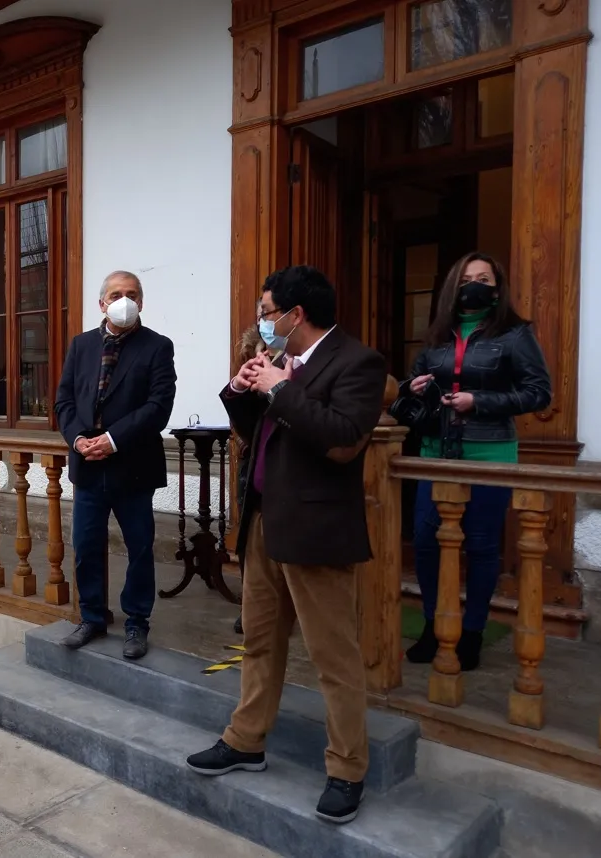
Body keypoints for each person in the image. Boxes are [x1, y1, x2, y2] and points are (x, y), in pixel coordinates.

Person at [186, 266, 386, 825]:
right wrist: (246, 388)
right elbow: (257, 434)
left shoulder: (357, 363)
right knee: (259, 642)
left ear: (297, 315)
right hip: (264, 522)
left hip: (316, 530)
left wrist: (280, 388)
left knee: (333, 658)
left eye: (267, 312)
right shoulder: (280, 363)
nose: (261, 322)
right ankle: (245, 739)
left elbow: (343, 440)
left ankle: (348, 769)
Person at [402, 252, 551, 671]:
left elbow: (539, 392)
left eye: (483, 278)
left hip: (490, 454)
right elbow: (412, 382)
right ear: (454, 285)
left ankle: (472, 632)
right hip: (435, 453)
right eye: (467, 278)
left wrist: (478, 401)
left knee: (483, 546)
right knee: (427, 542)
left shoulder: (516, 334)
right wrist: (413, 386)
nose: (475, 284)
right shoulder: (436, 335)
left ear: (496, 287)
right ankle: (433, 625)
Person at [53, 270, 177, 660]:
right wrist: (78, 440)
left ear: (142, 301)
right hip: (87, 465)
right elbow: (64, 401)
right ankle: (91, 616)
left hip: (133, 466)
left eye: (132, 293)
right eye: (116, 294)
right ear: (102, 303)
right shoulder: (81, 345)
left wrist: (112, 440)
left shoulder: (157, 347)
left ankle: (136, 623)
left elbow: (158, 407)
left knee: (139, 548)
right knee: (86, 546)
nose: (124, 300)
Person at [232, 308, 276, 636]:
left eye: (271, 310)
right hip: (253, 459)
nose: (265, 318)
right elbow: (242, 415)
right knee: (249, 538)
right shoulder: (253, 352)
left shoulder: (301, 356)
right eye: (261, 311)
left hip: (286, 461)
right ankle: (251, 604)